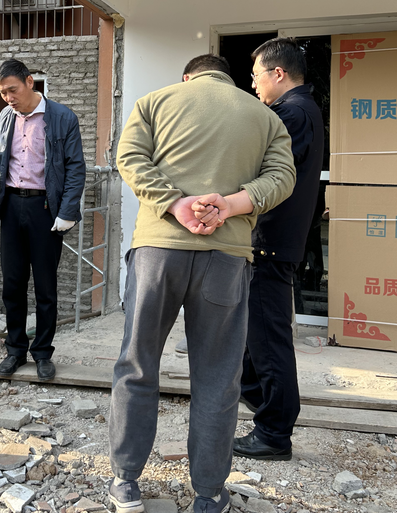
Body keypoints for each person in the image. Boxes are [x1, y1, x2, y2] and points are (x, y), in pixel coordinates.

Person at [109, 54, 295, 513]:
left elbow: (128, 158)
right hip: (226, 257)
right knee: (217, 379)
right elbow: (282, 178)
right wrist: (230, 204)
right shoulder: (265, 117)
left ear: (188, 77)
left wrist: (175, 204)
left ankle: (126, 483)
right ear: (228, 79)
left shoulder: (155, 102)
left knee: (137, 365)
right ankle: (209, 495)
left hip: (157, 252)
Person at [0, 59, 86, 382]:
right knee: (12, 283)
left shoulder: (62, 117)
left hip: (45, 208)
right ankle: (15, 350)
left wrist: (67, 212)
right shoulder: (5, 116)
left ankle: (42, 353)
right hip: (12, 205)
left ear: (29, 82)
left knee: (45, 286)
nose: (8, 98)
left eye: (12, 90)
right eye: (2, 93)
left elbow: (75, 168)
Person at [235, 38, 324, 461]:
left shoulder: (291, 114)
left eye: (256, 77)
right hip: (273, 242)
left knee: (269, 342)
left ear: (278, 73)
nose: (254, 86)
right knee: (255, 341)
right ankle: (267, 408)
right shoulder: (302, 110)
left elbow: (261, 169)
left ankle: (273, 433)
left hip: (270, 242)